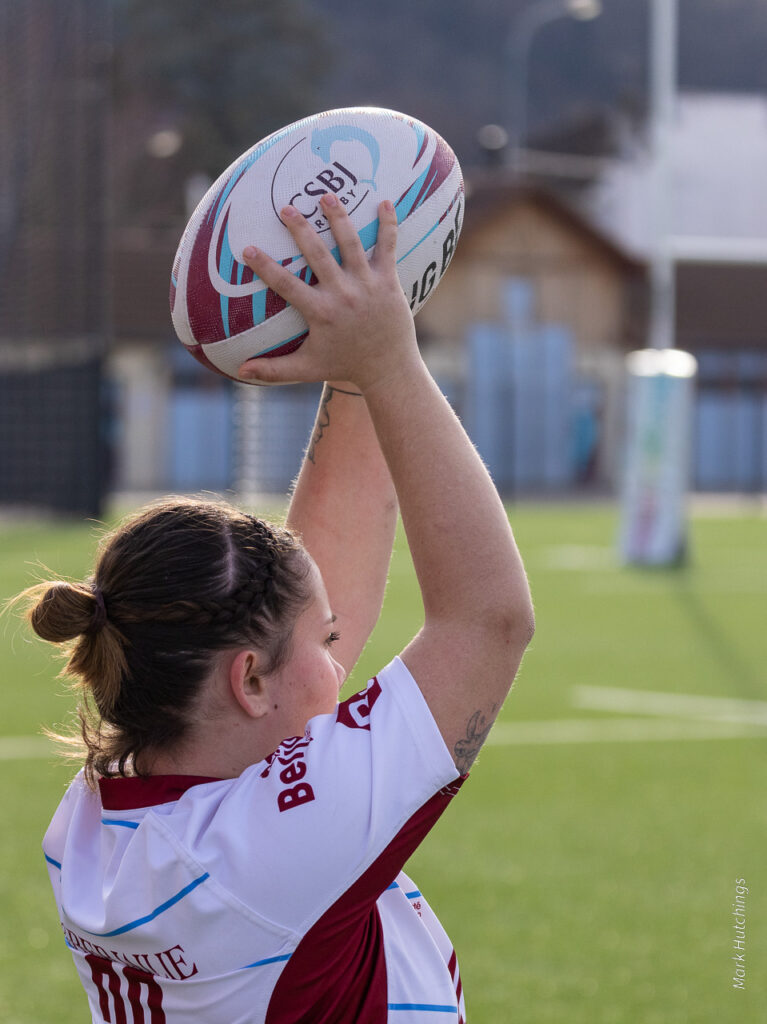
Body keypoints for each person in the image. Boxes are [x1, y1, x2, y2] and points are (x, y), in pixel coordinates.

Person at [21, 194, 534, 1023]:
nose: (340, 656)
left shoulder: (108, 811)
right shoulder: (266, 858)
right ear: (249, 680)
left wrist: (354, 363)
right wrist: (389, 365)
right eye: (324, 642)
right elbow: (487, 623)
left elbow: (300, 603)